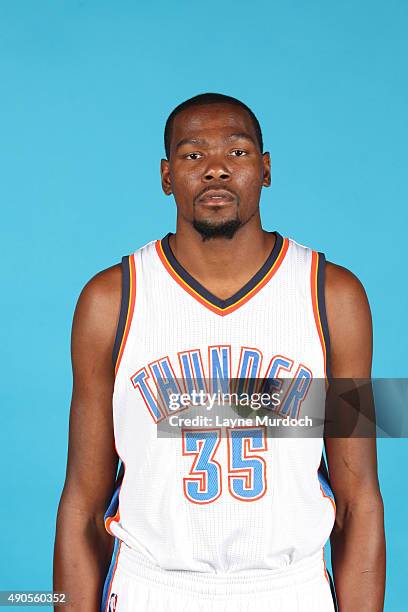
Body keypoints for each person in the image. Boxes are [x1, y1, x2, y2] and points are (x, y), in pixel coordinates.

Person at [53, 93, 386, 611]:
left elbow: (359, 499)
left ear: (266, 168)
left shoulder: (335, 296)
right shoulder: (108, 300)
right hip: (153, 589)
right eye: (192, 156)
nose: (216, 170)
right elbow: (81, 501)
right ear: (166, 176)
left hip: (290, 590)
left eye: (237, 152)